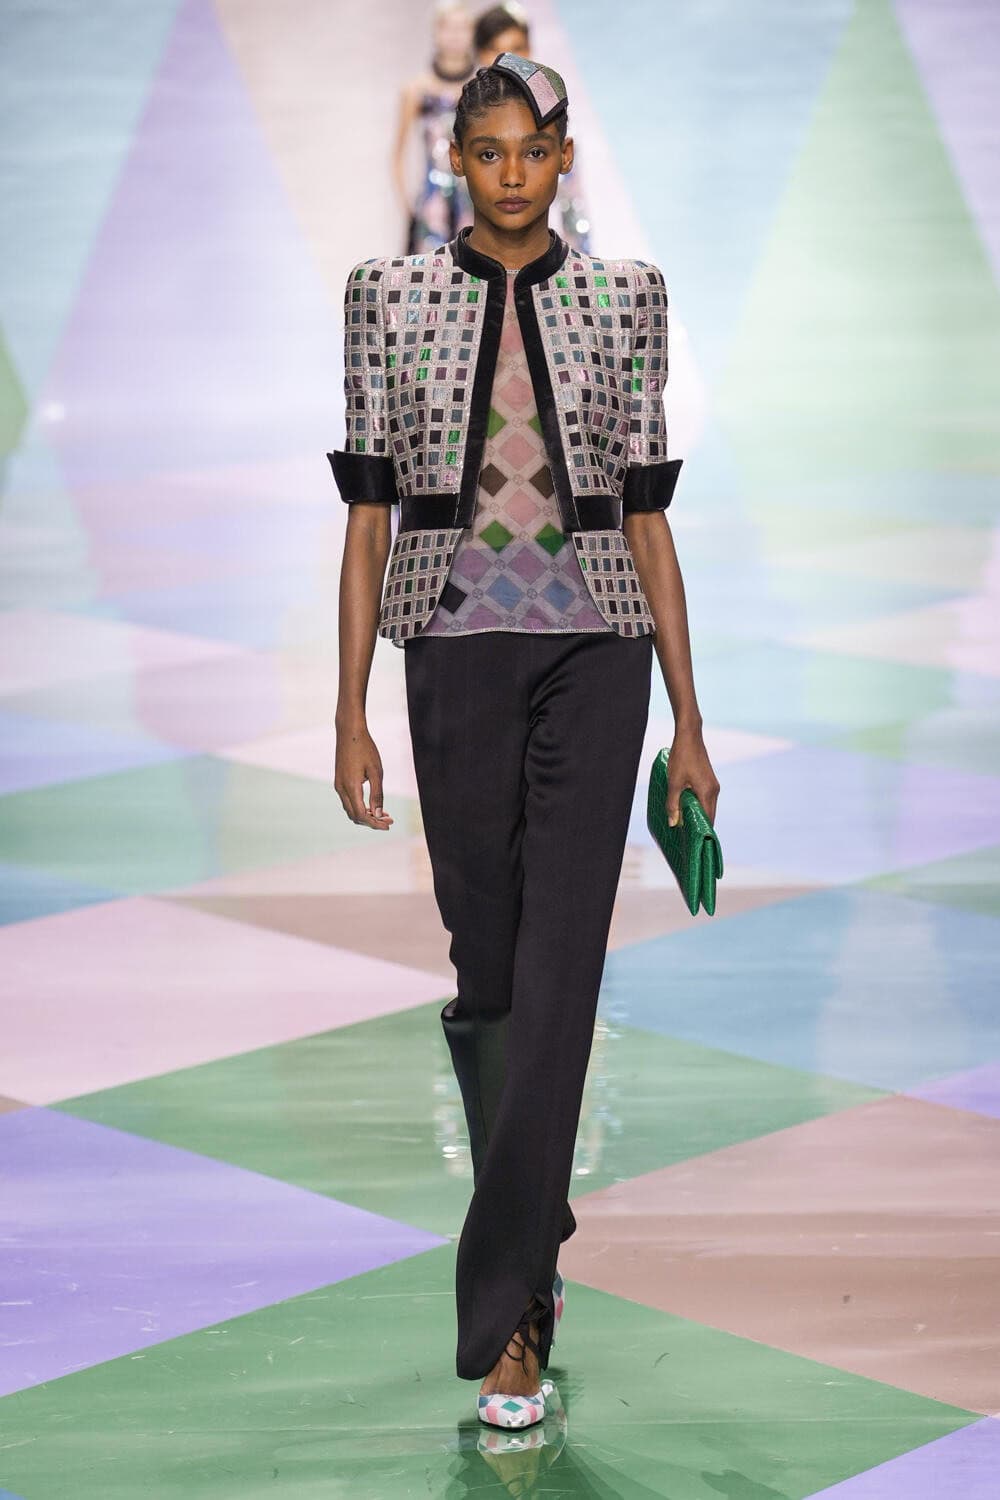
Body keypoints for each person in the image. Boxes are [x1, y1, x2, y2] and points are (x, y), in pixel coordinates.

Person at [330, 54, 719, 1430]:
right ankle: (532, 1232)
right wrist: (350, 709)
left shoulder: (626, 299)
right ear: (460, 160)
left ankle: (512, 1315)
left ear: (561, 159)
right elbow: (367, 515)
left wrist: (687, 717)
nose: (508, 173)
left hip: (598, 651)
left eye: (529, 152)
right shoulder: (388, 298)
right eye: (486, 151)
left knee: (561, 967)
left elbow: (648, 516)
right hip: (449, 651)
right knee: (487, 967)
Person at [473, 3, 592, 251]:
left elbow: (572, 204)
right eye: (496, 49)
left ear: (529, 49)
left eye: (517, 48)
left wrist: (578, 264)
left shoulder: (554, 119)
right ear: (480, 53)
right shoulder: (462, 117)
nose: (508, 60)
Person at [392, 2, 476, 255]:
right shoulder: (416, 90)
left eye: (461, 28)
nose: (455, 35)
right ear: (436, 32)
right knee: (430, 272)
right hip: (432, 207)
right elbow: (398, 154)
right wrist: (409, 208)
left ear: (471, 32)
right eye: (448, 27)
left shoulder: (482, 88)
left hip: (474, 204)